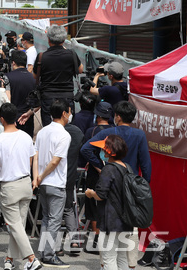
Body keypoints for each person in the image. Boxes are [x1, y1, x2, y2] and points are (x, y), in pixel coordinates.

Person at [80, 101, 151, 269]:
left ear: (117, 117)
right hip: (131, 188)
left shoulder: (110, 133)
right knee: (128, 237)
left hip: (110, 189)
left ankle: (105, 264)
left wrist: (100, 166)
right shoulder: (139, 135)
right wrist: (141, 186)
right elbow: (146, 166)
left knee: (109, 246)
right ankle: (132, 265)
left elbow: (85, 149)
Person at [0, 103, 42, 270]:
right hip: (25, 182)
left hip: (9, 186)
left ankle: (32, 258)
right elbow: (32, 158)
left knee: (14, 225)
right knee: (17, 225)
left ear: (1, 119)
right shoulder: (26, 137)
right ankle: (9, 259)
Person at [84, 135, 132, 270]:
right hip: (125, 220)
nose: (102, 153)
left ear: (109, 152)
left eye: (104, 150)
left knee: (109, 257)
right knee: (122, 257)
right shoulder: (127, 167)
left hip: (111, 220)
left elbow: (100, 195)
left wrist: (90, 193)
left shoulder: (109, 169)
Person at [34, 99, 72, 268]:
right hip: (55, 182)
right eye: (69, 112)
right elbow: (55, 161)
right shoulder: (64, 134)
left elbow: (35, 155)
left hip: (43, 183)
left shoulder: (42, 132)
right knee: (54, 220)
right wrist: (41, 176)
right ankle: (49, 255)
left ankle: (44, 252)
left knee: (47, 219)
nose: (70, 115)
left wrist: (37, 177)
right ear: (64, 113)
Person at [79, 101, 114, 253]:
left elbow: (85, 151)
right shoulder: (115, 131)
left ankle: (97, 239)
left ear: (97, 115)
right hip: (113, 171)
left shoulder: (91, 131)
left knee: (93, 205)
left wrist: (97, 165)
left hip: (95, 172)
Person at [32, 25, 83, 127]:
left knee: (49, 129)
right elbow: (80, 70)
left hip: (48, 98)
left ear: (48, 39)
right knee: (67, 128)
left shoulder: (42, 57)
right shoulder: (71, 54)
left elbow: (34, 76)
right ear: (64, 40)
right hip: (67, 97)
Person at [62, 122, 84, 254]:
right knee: (69, 208)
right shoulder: (77, 131)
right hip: (70, 175)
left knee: (53, 213)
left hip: (54, 177)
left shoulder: (49, 131)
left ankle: (55, 246)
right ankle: (74, 240)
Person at [5, 50, 37, 137]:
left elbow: (7, 99)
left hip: (12, 120)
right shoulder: (34, 78)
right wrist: (29, 113)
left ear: (13, 63)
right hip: (28, 118)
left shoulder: (7, 77)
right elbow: (39, 101)